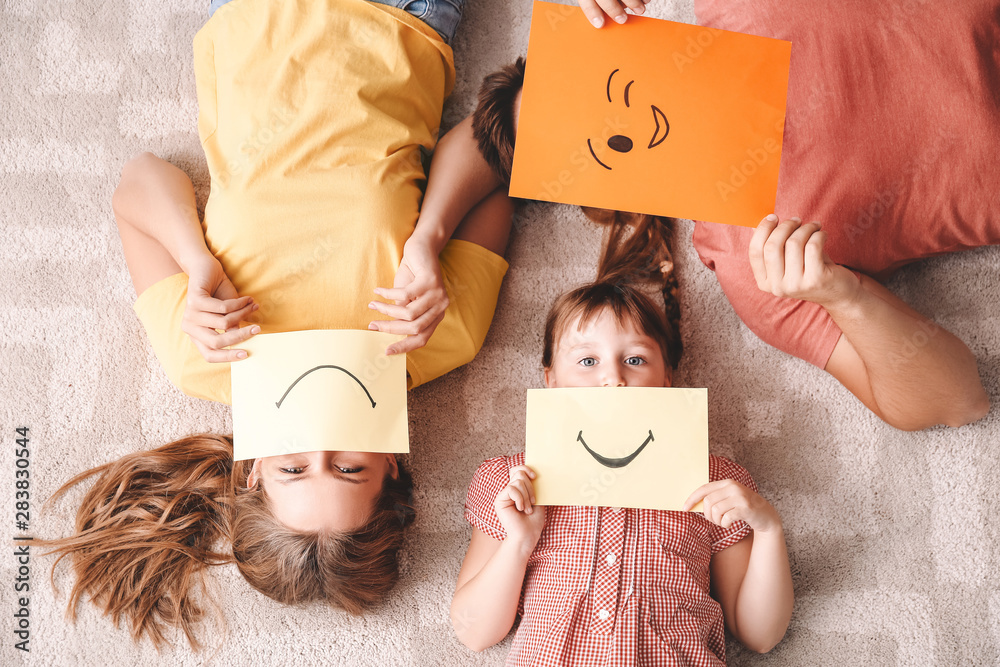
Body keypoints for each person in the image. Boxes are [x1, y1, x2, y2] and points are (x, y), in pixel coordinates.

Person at [35, 0, 510, 649]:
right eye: (346, 467)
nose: (320, 437)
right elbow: (502, 134)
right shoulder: (440, 335)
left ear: (254, 470)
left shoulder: (201, 353)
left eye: (293, 468)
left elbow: (140, 178)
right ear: (393, 468)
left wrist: (194, 258)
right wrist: (431, 236)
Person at [572, 0, 997, 430]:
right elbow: (959, 400)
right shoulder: (756, 270)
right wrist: (846, 296)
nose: (637, 121)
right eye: (611, 143)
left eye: (612, 87)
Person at [449, 209, 794, 663]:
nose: (612, 378)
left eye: (634, 359)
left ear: (668, 378)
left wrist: (767, 528)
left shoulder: (715, 481)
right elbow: (474, 633)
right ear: (550, 379)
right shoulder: (511, 482)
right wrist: (518, 543)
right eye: (587, 361)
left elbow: (759, 634)